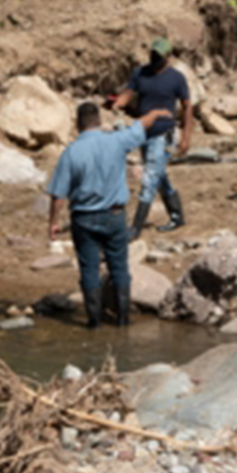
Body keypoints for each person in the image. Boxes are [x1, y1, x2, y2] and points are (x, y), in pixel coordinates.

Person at [48, 102, 173, 328]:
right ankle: (123, 320)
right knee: (119, 267)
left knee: (89, 270)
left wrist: (53, 223)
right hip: (114, 215)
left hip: (83, 218)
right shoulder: (116, 140)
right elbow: (140, 127)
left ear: (78, 124)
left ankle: (93, 322)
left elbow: (58, 195)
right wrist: (154, 112)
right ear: (99, 121)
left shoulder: (71, 152)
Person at [110, 37, 193, 241]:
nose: (154, 58)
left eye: (159, 55)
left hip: (163, 134)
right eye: (152, 54)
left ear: (168, 57)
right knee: (159, 176)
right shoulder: (140, 73)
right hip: (143, 133)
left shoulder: (176, 78)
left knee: (149, 179)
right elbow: (128, 94)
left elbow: (187, 107)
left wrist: (185, 137)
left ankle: (135, 229)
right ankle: (177, 216)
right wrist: (117, 103)